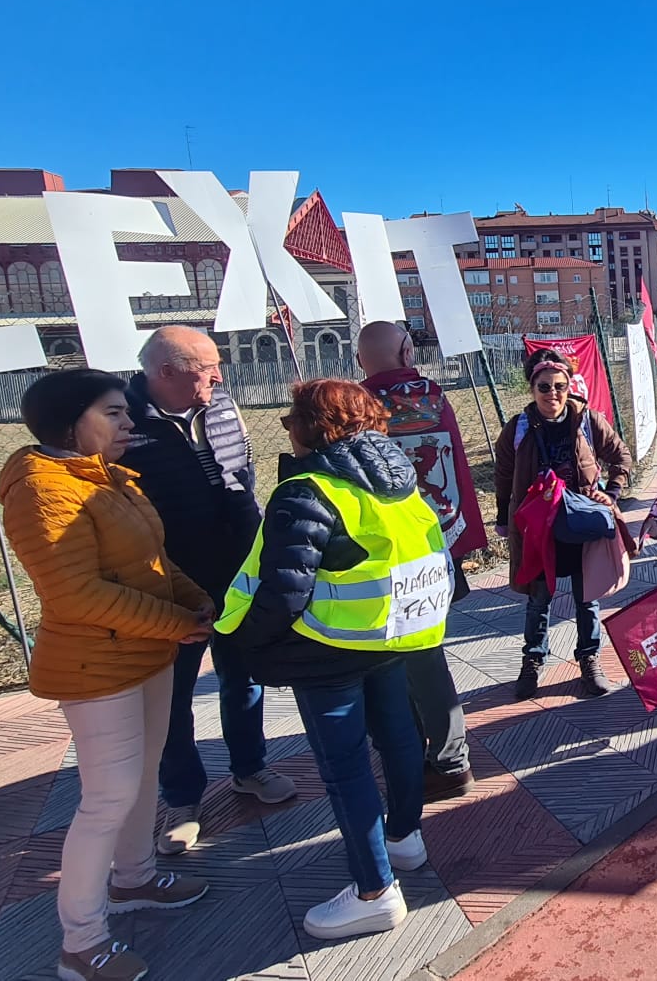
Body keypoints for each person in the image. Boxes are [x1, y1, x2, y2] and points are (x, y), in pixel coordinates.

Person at [215, 380, 453, 940]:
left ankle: (374, 892)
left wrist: (247, 643)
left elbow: (284, 591)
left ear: (312, 427)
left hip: (325, 652)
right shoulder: (399, 482)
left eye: (290, 419)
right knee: (399, 739)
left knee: (345, 769)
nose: (286, 429)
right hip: (388, 638)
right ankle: (405, 838)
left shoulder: (307, 491)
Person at [0, 369, 213, 981]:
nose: (129, 422)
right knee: (107, 798)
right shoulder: (42, 491)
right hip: (97, 665)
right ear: (72, 423)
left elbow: (153, 560)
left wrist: (195, 600)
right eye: (114, 413)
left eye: (126, 411)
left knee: (142, 775)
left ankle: (135, 879)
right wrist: (175, 622)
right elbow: (75, 594)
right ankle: (82, 943)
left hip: (146, 651)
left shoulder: (107, 477)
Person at [124, 325, 294, 857]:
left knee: (243, 677)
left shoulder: (221, 405)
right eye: (207, 368)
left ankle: (250, 768)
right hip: (168, 583)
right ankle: (181, 799)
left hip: (237, 570)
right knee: (172, 696)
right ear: (165, 373)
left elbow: (242, 475)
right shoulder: (124, 421)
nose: (219, 377)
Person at [357, 320, 482, 799]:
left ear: (361, 360)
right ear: (408, 351)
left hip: (386, 552)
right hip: (437, 544)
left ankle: (439, 758)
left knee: (402, 658)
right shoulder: (435, 396)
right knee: (424, 651)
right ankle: (441, 756)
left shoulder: (357, 407)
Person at [493, 349, 634, 699]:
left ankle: (589, 660)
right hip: (539, 530)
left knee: (588, 599)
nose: (552, 394)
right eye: (544, 387)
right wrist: (503, 519)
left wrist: (611, 493)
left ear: (569, 387)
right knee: (538, 600)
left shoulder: (587, 420)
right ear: (532, 388)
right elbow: (503, 476)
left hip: (582, 525)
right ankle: (532, 661)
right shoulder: (518, 428)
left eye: (560, 386)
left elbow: (621, 456)